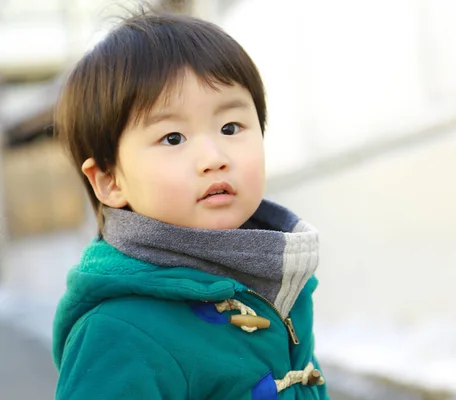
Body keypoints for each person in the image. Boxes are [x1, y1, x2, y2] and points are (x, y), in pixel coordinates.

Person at [52, 11, 329, 400]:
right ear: (110, 181)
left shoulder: (275, 280)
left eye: (230, 128)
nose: (213, 157)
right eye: (173, 138)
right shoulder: (118, 332)